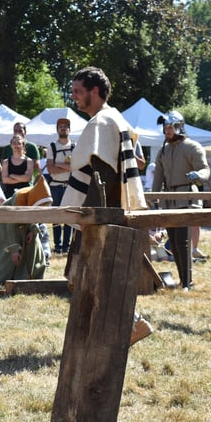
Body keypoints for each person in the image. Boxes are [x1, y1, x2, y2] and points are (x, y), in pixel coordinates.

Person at [60, 67, 151, 345]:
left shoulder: (101, 122)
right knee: (95, 276)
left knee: (93, 275)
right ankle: (99, 333)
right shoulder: (116, 119)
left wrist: (88, 218)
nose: (74, 97)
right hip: (112, 212)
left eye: (78, 91)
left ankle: (132, 324)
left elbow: (103, 175)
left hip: (102, 215)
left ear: (95, 91)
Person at [151, 110, 210, 290]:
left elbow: (205, 170)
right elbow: (158, 178)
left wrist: (198, 175)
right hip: (169, 200)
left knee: (183, 242)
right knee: (174, 244)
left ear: (179, 127)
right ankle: (183, 280)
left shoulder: (192, 147)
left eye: (171, 127)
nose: (167, 131)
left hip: (186, 197)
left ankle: (187, 283)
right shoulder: (163, 151)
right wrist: (153, 199)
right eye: (165, 127)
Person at [0, 176, 52, 284]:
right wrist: (14, 249)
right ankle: (1, 279)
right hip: (6, 223)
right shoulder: (19, 198)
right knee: (6, 255)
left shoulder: (34, 196)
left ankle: (32, 276)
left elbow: (34, 213)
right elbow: (11, 226)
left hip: (25, 225)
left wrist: (32, 229)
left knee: (35, 246)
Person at [46, 116, 74, 255]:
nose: (63, 128)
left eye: (65, 126)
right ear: (57, 130)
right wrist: (66, 167)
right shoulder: (52, 146)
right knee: (56, 216)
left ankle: (67, 246)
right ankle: (57, 246)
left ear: (69, 129)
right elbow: (50, 169)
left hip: (70, 186)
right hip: (55, 186)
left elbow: (75, 167)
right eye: (60, 126)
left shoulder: (75, 147)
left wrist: (58, 164)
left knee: (70, 216)